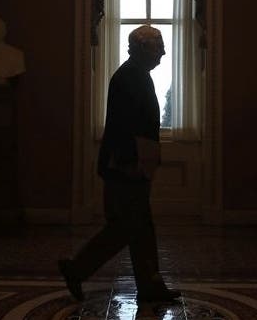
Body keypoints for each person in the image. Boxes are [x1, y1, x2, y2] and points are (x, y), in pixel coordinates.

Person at [59, 25, 180, 303]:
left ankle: (151, 285)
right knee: (125, 227)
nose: (163, 51)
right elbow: (122, 127)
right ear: (141, 48)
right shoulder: (128, 78)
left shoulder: (137, 75)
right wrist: (132, 164)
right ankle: (76, 269)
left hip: (131, 164)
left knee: (139, 226)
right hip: (125, 167)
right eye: (158, 45)